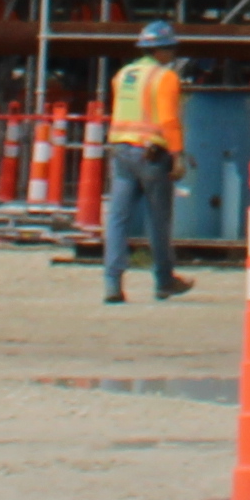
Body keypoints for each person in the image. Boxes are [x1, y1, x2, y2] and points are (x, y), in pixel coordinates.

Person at [99, 18, 191, 304]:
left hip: (121, 151)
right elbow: (167, 119)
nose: (173, 54)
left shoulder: (123, 74)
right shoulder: (165, 78)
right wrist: (177, 155)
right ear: (162, 50)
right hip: (152, 155)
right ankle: (164, 281)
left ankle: (113, 284)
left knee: (118, 218)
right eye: (171, 48)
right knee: (159, 220)